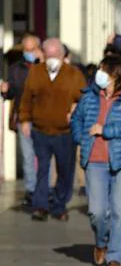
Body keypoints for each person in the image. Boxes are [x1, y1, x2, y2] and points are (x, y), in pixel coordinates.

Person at [70, 55, 121, 266]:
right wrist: (81, 137)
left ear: (115, 74)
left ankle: (114, 255)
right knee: (97, 211)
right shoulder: (89, 96)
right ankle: (101, 242)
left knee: (119, 210)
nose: (99, 75)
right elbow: (76, 120)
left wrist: (106, 130)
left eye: (104, 70)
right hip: (94, 159)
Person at [19, 38, 86, 221]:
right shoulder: (36, 72)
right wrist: (25, 120)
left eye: (55, 55)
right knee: (42, 169)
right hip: (40, 130)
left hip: (65, 133)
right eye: (48, 55)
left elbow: (85, 99)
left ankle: (59, 205)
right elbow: (26, 98)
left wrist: (76, 110)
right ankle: (40, 206)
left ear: (63, 56)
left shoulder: (74, 74)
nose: (52, 59)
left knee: (65, 170)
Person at [1, 33, 41, 206]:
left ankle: (44, 189)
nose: (29, 52)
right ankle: (31, 190)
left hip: (45, 118)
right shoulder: (16, 69)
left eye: (32, 49)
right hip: (24, 118)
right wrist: (5, 90)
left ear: (39, 49)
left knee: (44, 156)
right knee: (28, 156)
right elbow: (11, 93)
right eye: (26, 49)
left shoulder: (47, 67)